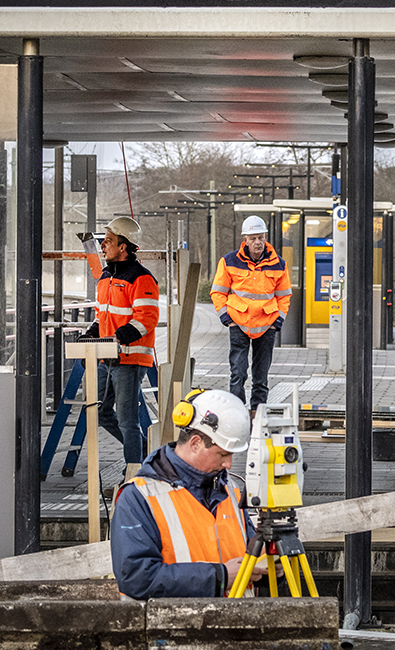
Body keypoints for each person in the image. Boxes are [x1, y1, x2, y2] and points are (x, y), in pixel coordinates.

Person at [110, 388, 265, 599]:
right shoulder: (138, 497)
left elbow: (244, 553)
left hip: (236, 627)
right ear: (195, 443)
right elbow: (136, 578)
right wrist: (218, 577)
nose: (228, 464)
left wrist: (267, 568)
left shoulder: (230, 490)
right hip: (176, 629)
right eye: (222, 454)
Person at [79, 216, 162, 478]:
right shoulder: (105, 277)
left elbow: (147, 318)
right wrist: (92, 336)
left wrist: (117, 339)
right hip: (107, 357)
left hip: (129, 359)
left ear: (123, 246)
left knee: (127, 420)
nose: (103, 245)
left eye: (108, 241)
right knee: (102, 413)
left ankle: (135, 474)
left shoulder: (142, 279)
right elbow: (101, 315)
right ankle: (144, 451)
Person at [212, 216, 291, 412]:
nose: (258, 242)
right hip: (238, 323)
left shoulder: (279, 264)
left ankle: (258, 414)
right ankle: (236, 411)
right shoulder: (229, 261)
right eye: (253, 238)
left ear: (265, 238)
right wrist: (227, 318)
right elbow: (217, 292)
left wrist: (277, 322)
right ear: (245, 240)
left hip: (267, 325)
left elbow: (284, 296)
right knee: (238, 373)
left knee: (261, 376)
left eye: (261, 238)